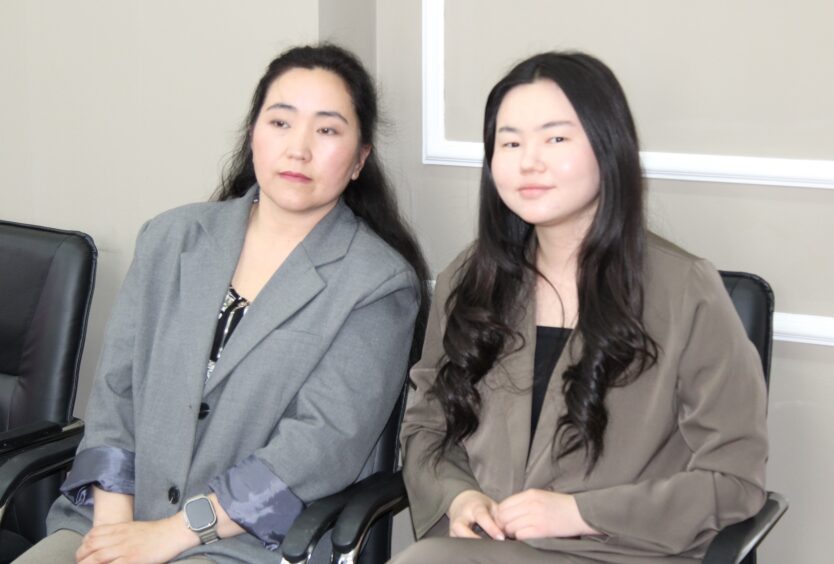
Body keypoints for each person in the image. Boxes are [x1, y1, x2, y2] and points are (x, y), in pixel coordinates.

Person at [16, 44, 428, 564]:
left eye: (327, 130)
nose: (298, 148)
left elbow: (317, 449)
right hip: (114, 519)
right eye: (281, 122)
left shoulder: (378, 284)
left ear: (359, 160)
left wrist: (171, 534)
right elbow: (116, 393)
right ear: (253, 134)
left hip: (248, 544)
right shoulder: (170, 238)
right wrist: (115, 527)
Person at [394, 52, 767, 564]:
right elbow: (427, 428)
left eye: (556, 139)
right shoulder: (471, 279)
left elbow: (734, 480)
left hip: (625, 554)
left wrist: (581, 513)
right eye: (510, 143)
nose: (529, 161)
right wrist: (458, 497)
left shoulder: (685, 289)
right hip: (485, 551)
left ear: (608, 147)